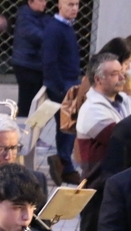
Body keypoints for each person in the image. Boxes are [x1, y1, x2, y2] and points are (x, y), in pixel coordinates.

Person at [70, 53, 131, 231]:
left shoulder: (126, 101)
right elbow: (123, 135)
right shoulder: (91, 108)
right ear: (98, 79)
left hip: (120, 181)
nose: (121, 76)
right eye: (113, 73)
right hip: (97, 183)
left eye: (121, 71)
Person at [42, 0, 82, 186]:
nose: (74, 8)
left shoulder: (66, 27)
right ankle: (64, 165)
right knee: (66, 127)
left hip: (71, 83)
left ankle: (64, 163)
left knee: (69, 128)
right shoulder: (55, 29)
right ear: (59, 5)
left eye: (77, 4)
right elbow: (49, 61)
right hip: (63, 86)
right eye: (70, 4)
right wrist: (60, 88)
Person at [10, 0, 52, 117]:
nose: (44, 3)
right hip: (26, 65)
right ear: (30, 2)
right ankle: (23, 131)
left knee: (39, 104)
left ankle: (34, 133)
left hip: (37, 65)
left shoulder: (43, 17)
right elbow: (39, 36)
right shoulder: (24, 17)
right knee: (27, 103)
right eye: (41, 0)